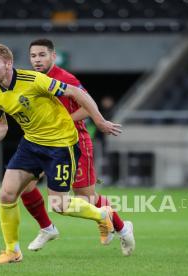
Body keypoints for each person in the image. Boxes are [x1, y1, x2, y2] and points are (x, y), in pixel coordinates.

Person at [0, 43, 121, 265]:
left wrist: (100, 121)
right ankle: (12, 251)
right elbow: (0, 126)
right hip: (31, 143)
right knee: (6, 194)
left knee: (60, 205)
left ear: (8, 64)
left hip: (60, 144)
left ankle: (104, 214)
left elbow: (76, 92)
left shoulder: (33, 80)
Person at [21, 39, 135, 256]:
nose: (37, 60)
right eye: (33, 56)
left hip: (74, 141)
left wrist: (63, 122)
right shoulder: (32, 80)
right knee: (22, 184)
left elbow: (87, 106)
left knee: (85, 197)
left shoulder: (65, 78)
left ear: (53, 56)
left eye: (42, 55)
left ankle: (122, 227)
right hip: (43, 142)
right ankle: (46, 228)